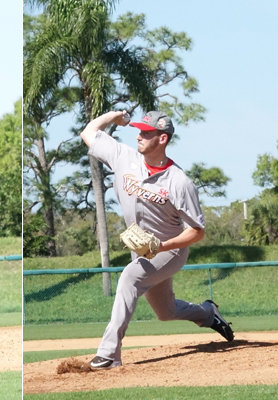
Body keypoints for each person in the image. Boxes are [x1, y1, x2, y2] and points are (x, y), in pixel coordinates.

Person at [80, 110, 233, 370]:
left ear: (162, 139)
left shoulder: (179, 182)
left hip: (170, 250)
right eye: (139, 131)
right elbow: (88, 132)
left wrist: (162, 246)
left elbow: (197, 231)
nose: (139, 136)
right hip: (142, 251)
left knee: (129, 278)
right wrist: (114, 115)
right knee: (166, 312)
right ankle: (208, 313)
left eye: (146, 132)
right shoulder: (124, 157)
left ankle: (109, 354)